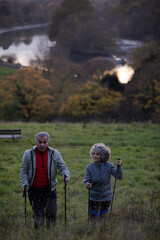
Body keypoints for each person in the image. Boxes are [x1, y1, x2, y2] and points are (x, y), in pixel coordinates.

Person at [20, 132, 70, 229]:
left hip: (50, 189)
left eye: (44, 142)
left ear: (48, 142)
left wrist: (66, 175)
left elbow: (62, 166)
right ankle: (39, 234)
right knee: (38, 214)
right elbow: (23, 170)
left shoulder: (54, 153)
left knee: (51, 213)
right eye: (40, 142)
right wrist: (24, 183)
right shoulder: (28, 154)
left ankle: (51, 234)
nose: (42, 145)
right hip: (34, 189)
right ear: (36, 142)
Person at [84, 143, 123, 222]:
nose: (95, 156)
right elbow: (86, 180)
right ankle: (93, 233)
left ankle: (103, 232)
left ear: (103, 155)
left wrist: (119, 166)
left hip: (106, 197)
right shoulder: (89, 167)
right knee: (93, 219)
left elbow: (118, 176)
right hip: (93, 197)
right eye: (93, 154)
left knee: (103, 220)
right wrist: (87, 184)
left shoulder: (109, 166)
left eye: (97, 154)